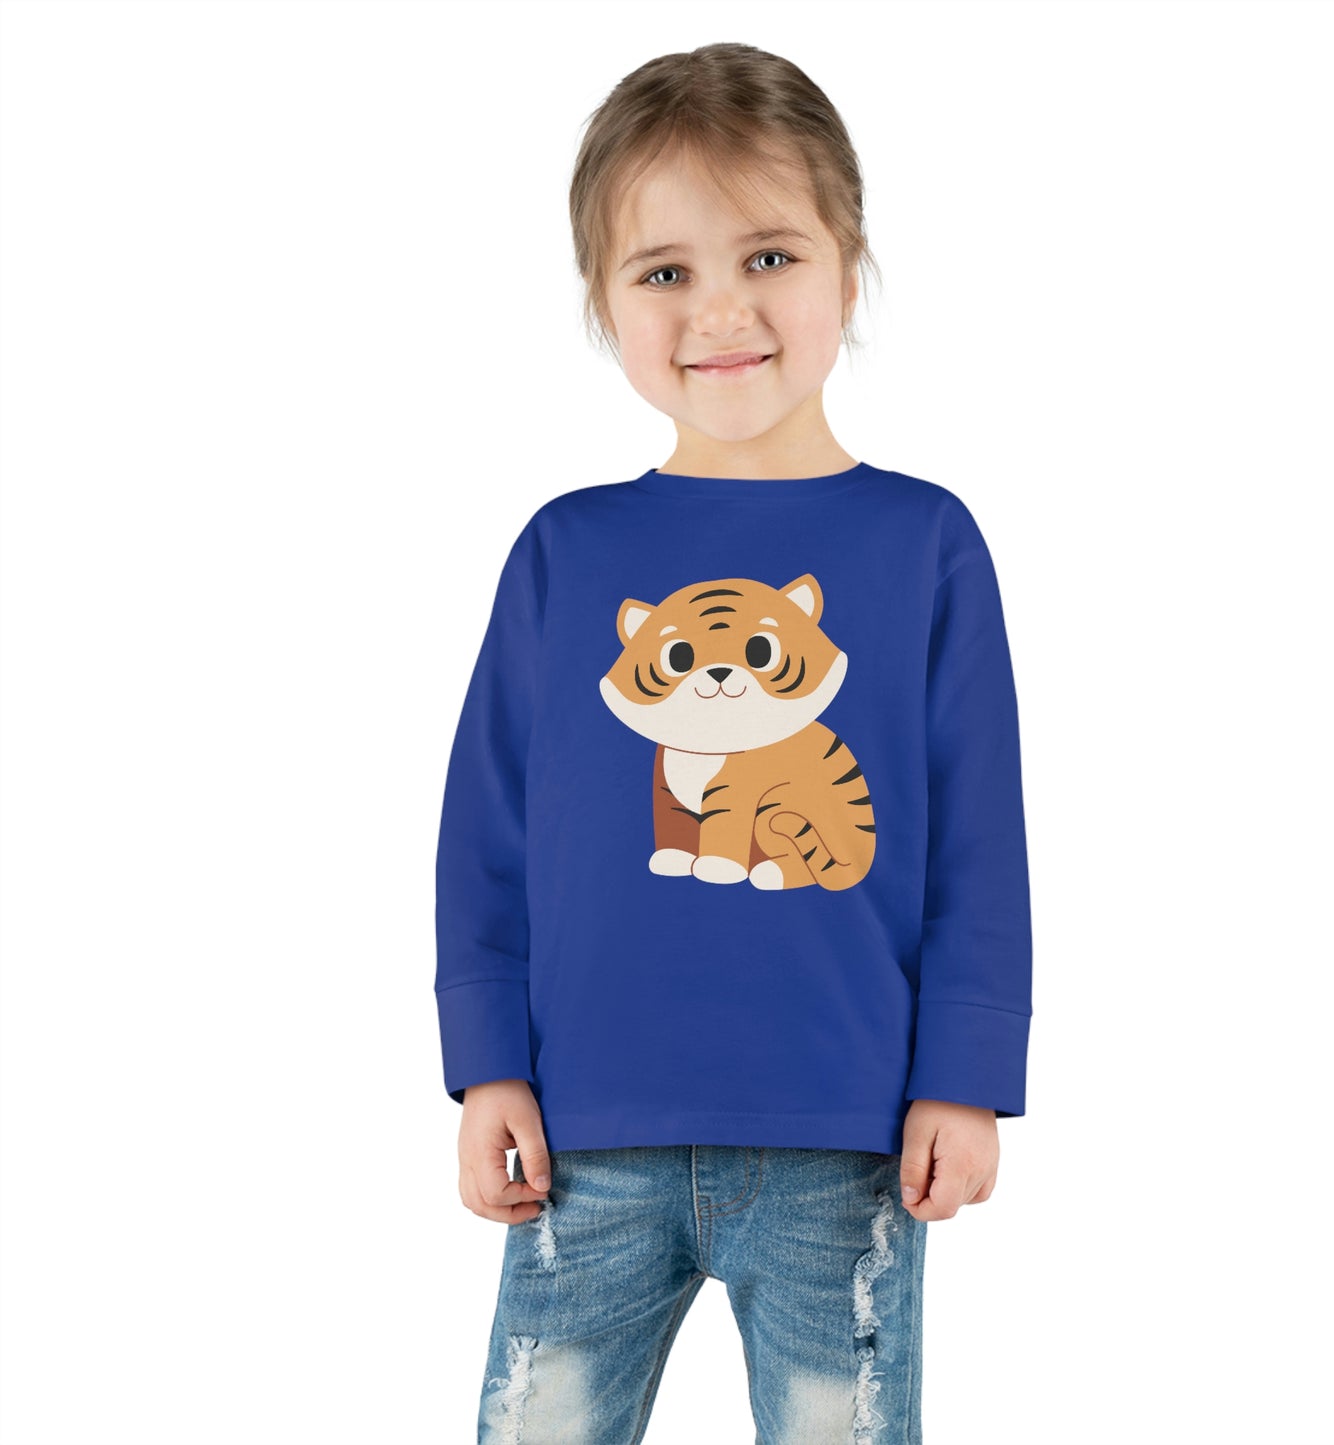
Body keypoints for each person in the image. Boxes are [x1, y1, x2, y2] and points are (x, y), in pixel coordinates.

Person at [434, 41, 1033, 1445]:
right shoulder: (564, 551)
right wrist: (486, 1061)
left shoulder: (926, 543)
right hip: (585, 1137)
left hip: (846, 1134)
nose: (721, 310)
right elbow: (487, 831)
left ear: (847, 264)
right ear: (605, 300)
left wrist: (965, 1073)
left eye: (768, 256)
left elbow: (978, 835)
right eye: (664, 271)